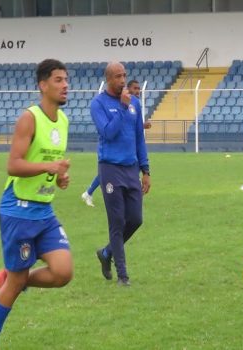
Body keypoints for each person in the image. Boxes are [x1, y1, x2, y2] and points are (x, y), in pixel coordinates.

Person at [0, 59, 73, 350]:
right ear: (43, 85)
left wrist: (58, 178)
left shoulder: (65, 121)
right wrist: (51, 166)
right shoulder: (29, 118)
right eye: (58, 80)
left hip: (44, 210)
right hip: (18, 210)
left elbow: (47, 166)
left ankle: (13, 279)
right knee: (16, 283)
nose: (65, 85)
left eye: (66, 79)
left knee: (63, 272)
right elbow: (14, 165)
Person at [91, 62, 150, 286]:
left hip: (131, 169)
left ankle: (106, 253)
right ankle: (123, 275)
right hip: (110, 169)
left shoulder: (135, 103)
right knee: (117, 221)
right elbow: (108, 133)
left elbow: (139, 139)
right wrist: (122, 109)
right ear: (109, 79)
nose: (123, 80)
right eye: (118, 76)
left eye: (124, 75)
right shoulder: (98, 104)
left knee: (135, 219)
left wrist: (146, 170)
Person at [81, 79, 150, 207]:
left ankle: (89, 193)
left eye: (139, 89)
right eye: (135, 88)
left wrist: (142, 126)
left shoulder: (135, 104)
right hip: (112, 154)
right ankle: (88, 193)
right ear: (128, 89)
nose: (138, 92)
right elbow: (110, 129)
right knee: (104, 176)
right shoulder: (109, 103)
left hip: (130, 151)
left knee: (135, 217)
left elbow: (132, 126)